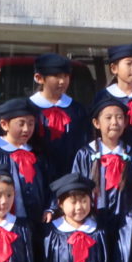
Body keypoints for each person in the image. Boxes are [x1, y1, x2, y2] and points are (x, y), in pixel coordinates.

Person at [72, 98, 132, 241]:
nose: (114, 122)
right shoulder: (85, 154)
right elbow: (77, 188)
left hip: (127, 222)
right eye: (108, 118)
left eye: (119, 117)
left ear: (125, 122)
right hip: (94, 220)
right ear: (96, 123)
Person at [0, 98, 49, 224]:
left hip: (36, 221)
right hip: (3, 220)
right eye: (21, 124)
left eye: (31, 123)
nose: (26, 129)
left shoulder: (37, 153)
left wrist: (51, 208)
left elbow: (48, 184)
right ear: (4, 124)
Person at [30, 52, 87, 181]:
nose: (62, 81)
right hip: (36, 175)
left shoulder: (77, 110)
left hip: (70, 174)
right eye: (56, 76)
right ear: (39, 78)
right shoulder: (28, 108)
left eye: (66, 76)